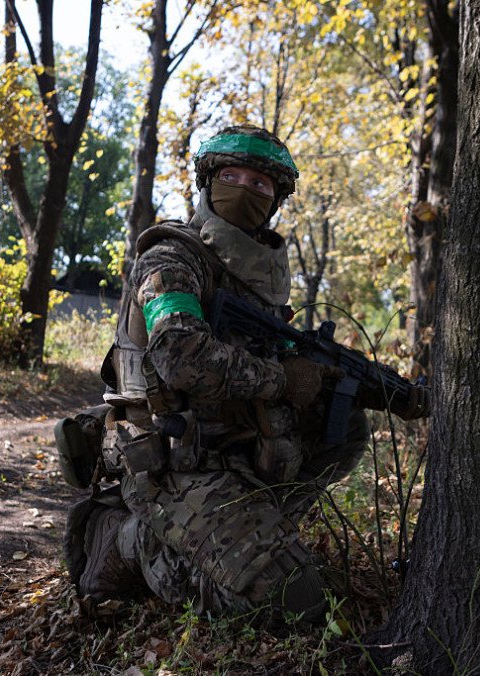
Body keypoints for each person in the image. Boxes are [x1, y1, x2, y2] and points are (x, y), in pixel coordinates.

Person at [62, 125, 370, 624]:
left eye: (261, 184)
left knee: (347, 426)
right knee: (297, 599)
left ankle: (255, 535)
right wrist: (280, 379)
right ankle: (130, 544)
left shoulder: (256, 282)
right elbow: (180, 356)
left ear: (275, 201)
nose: (245, 189)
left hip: (233, 447)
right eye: (231, 175)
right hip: (169, 460)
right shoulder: (172, 259)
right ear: (208, 183)